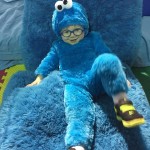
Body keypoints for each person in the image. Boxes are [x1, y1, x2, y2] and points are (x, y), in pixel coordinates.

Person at [27, 0, 145, 149]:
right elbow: (48, 62)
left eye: (77, 30)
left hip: (96, 77)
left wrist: (119, 75)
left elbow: (105, 52)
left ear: (84, 28)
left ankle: (122, 104)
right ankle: (78, 144)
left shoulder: (93, 38)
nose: (72, 35)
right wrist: (39, 76)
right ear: (59, 32)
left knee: (107, 59)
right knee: (77, 111)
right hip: (75, 85)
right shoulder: (58, 46)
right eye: (66, 31)